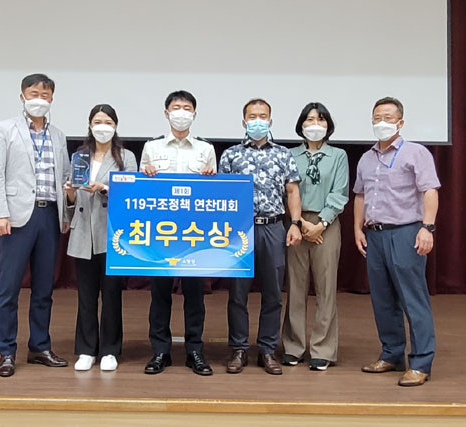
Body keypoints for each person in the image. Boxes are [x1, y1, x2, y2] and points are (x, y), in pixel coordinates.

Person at [0, 73, 70, 377]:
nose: (39, 99)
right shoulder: (5, 129)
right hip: (17, 216)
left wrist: (65, 215)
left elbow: (65, 176)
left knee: (44, 288)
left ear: (52, 99)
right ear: (22, 96)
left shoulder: (58, 135)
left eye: (45, 95)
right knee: (9, 288)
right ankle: (6, 351)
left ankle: (40, 346)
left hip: (49, 215)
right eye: (33, 94)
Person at [353, 97, 440, 387]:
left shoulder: (416, 153)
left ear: (400, 122)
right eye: (377, 117)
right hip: (375, 234)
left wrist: (427, 227)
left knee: (412, 299)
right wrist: (357, 228)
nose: (382, 122)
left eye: (388, 117)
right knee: (382, 299)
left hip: (405, 232)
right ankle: (391, 354)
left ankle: (421, 362)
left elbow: (430, 190)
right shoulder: (366, 159)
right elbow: (360, 195)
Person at [219, 98, 302, 375]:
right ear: (244, 122)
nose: (258, 120)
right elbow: (221, 194)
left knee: (273, 293)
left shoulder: (283, 154)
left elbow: (292, 191)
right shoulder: (230, 155)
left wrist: (295, 223)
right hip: (239, 230)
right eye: (252, 116)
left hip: (273, 227)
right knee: (237, 293)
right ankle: (239, 348)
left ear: (270, 120)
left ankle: (267, 349)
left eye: (263, 116)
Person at [140, 90, 216, 376]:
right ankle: (160, 351)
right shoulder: (151, 147)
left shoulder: (205, 149)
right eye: (176, 107)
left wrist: (211, 179)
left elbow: (215, 196)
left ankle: (195, 351)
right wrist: (145, 174)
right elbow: (140, 192)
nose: (181, 112)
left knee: (195, 295)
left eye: (186, 108)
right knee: (160, 294)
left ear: (194, 114)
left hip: (195, 234)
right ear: (166, 113)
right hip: (161, 233)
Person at [64, 104, 137, 372]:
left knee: (111, 294)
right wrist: (70, 193)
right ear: (89, 125)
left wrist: (105, 188)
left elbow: (132, 194)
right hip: (83, 232)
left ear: (115, 126)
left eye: (107, 122)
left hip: (112, 233)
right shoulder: (80, 155)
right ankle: (86, 349)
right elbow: (71, 202)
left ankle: (109, 349)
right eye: (97, 122)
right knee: (86, 295)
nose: (102, 127)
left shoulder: (126, 157)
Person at [281, 102, 349, 371]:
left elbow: (340, 192)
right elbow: (287, 190)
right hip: (295, 225)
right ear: (301, 125)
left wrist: (320, 224)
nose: (315, 125)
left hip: (326, 225)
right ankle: (293, 347)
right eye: (309, 120)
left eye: (320, 120)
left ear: (328, 125)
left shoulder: (338, 156)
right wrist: (299, 222)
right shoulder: (289, 155)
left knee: (326, 289)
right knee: (295, 288)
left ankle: (323, 349)